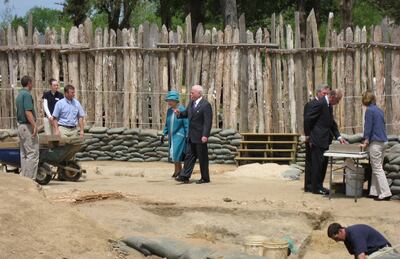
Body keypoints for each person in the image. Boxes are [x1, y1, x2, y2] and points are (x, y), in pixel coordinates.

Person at [304, 89, 347, 195]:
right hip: (317, 139)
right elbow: (307, 118)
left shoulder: (329, 105)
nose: (337, 103)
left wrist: (338, 136)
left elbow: (331, 123)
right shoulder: (320, 103)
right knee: (317, 165)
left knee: (323, 165)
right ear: (332, 97)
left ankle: (319, 186)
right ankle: (315, 188)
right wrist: (309, 135)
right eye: (337, 101)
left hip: (325, 139)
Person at [174, 85, 213, 184]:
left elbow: (207, 122)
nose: (191, 94)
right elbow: (186, 113)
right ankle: (184, 176)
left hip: (200, 136)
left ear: (199, 93)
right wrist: (179, 113)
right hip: (191, 136)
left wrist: (205, 135)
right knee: (189, 156)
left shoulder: (206, 105)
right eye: (191, 92)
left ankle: (205, 178)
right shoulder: (191, 103)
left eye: (192, 92)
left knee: (202, 158)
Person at [360, 91, 392, 201]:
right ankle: (374, 192)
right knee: (376, 167)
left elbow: (368, 127)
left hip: (376, 143)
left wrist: (366, 141)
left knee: (377, 168)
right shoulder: (379, 110)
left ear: (365, 100)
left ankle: (386, 192)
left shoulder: (369, 111)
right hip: (384, 141)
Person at [303, 84, 331, 192]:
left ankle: (314, 185)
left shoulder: (326, 105)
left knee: (319, 164)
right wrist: (308, 136)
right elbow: (307, 121)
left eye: (327, 94)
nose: (325, 96)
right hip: (313, 139)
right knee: (313, 163)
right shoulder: (311, 104)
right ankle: (311, 186)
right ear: (318, 93)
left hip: (322, 138)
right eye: (324, 93)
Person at [327, 223, 399, 259]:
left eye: (336, 238)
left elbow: (361, 256)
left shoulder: (354, 234)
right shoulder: (346, 238)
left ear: (340, 231)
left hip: (384, 251)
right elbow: (357, 255)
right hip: (374, 252)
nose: (337, 241)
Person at [16, 75, 39, 180]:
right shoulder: (27, 95)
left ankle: (24, 179)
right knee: (32, 154)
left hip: (21, 126)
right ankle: (31, 180)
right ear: (29, 83)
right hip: (27, 126)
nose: (32, 85)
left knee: (24, 154)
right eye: (32, 83)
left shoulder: (19, 95)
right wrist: (35, 126)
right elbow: (28, 112)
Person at [162, 90, 189, 178]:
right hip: (171, 136)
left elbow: (186, 123)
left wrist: (187, 134)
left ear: (176, 100)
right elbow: (167, 123)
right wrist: (164, 133)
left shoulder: (182, 110)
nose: (169, 102)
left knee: (177, 153)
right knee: (173, 153)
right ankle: (177, 170)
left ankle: (179, 170)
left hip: (179, 135)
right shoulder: (169, 111)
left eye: (171, 100)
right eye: (168, 100)